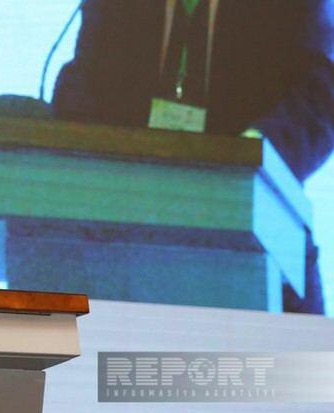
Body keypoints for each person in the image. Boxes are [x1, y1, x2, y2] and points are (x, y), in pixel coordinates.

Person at [51, 0, 334, 313]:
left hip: (261, 233)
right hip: (121, 233)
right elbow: (83, 79)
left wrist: (249, 155)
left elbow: (321, 97)